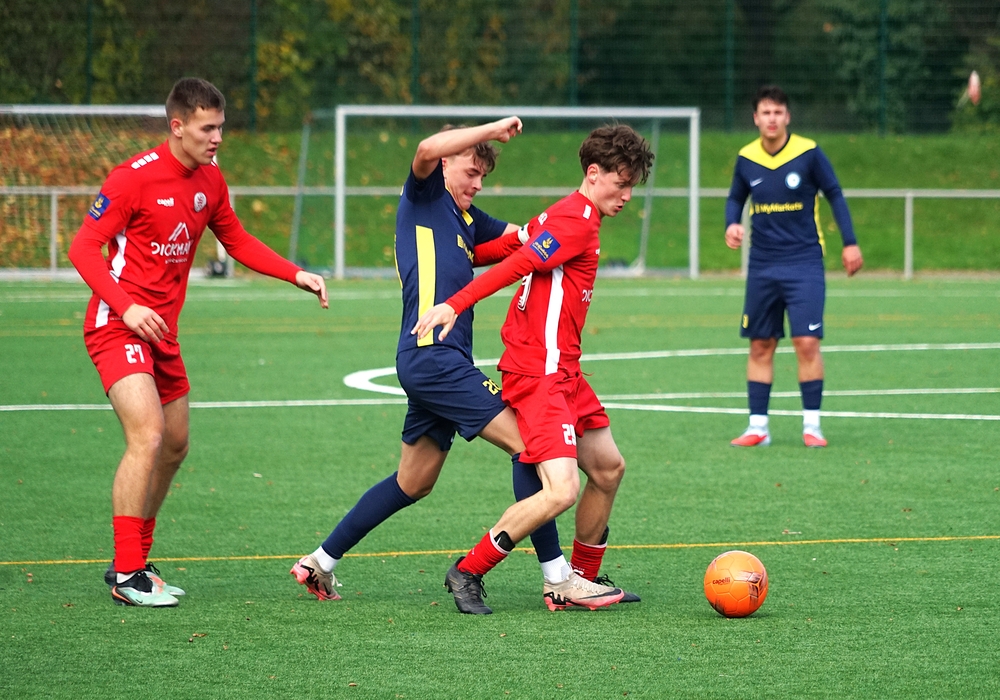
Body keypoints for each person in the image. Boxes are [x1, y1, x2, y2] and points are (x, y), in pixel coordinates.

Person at [290, 120, 634, 612]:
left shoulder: (466, 219)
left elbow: (521, 241)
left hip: (434, 361)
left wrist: (554, 223)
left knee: (413, 481)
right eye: (470, 172)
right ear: (446, 164)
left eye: (483, 177)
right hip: (434, 359)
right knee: (531, 448)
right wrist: (493, 129)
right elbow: (427, 146)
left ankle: (319, 561)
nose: (477, 184)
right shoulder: (425, 197)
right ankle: (558, 577)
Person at [68, 78, 329, 607]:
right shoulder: (132, 179)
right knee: (148, 435)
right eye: (208, 128)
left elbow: (237, 239)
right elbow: (83, 248)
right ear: (178, 126)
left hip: (163, 332)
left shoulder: (211, 179)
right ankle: (127, 574)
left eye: (221, 128)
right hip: (117, 324)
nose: (217, 138)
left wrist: (295, 273)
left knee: (175, 444)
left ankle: (137, 562)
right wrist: (127, 306)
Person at [412, 124, 654, 614]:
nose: (627, 196)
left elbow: (506, 247)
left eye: (632, 186)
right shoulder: (575, 222)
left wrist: (458, 254)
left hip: (565, 371)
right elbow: (520, 262)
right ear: (594, 173)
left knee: (608, 468)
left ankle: (578, 580)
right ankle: (468, 570)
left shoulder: (566, 212)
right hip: (540, 373)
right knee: (561, 490)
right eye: (621, 183)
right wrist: (455, 302)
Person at [724, 85, 863, 449]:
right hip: (762, 265)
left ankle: (812, 426)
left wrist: (850, 242)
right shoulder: (746, 157)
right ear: (755, 118)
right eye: (765, 113)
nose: (772, 119)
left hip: (804, 262)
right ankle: (758, 427)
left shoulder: (809, 152)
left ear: (787, 116)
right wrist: (731, 223)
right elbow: (736, 197)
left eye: (777, 112)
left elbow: (835, 193)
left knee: (806, 341)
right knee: (760, 344)